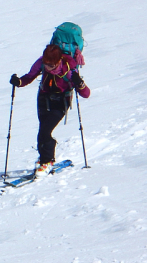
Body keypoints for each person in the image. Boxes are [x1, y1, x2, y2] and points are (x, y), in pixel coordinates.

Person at [10, 44, 91, 176]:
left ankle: (47, 161)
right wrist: (18, 82)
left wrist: (79, 83)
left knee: (45, 131)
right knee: (42, 131)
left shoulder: (69, 69)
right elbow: (30, 76)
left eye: (51, 65)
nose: (47, 68)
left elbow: (86, 94)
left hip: (61, 102)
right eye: (46, 64)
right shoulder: (41, 62)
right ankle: (44, 159)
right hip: (43, 99)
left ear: (59, 60)